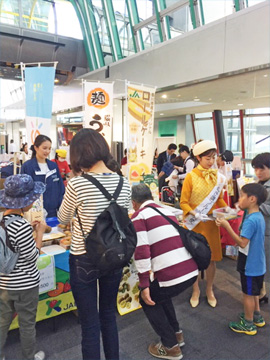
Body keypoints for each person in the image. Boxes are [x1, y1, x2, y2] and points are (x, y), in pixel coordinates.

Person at [57, 128, 131, 360]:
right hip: (114, 256)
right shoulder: (124, 183)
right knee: (108, 314)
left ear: (78, 155)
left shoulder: (77, 185)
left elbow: (62, 219)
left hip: (84, 258)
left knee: (89, 324)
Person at [131, 184, 198, 360]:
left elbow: (142, 251)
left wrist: (143, 283)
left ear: (134, 203)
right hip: (190, 270)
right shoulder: (166, 211)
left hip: (173, 275)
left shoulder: (139, 216)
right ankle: (177, 334)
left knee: (148, 300)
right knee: (161, 294)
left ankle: (170, 346)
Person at [0, 174, 46, 360]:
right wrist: (39, 234)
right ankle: (29, 356)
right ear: (22, 202)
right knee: (27, 324)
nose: (33, 201)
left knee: (2, 321)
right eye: (32, 198)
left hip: (4, 283)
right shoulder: (22, 226)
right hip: (25, 285)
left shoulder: (2, 221)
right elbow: (33, 256)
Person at [180, 140, 227, 308]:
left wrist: (226, 210)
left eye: (213, 157)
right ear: (198, 158)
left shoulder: (217, 177)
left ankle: (209, 289)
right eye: (208, 158)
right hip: (194, 224)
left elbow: (219, 199)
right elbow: (183, 202)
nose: (211, 161)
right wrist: (193, 213)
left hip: (211, 224)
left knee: (212, 259)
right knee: (194, 258)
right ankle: (195, 290)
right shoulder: (190, 177)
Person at [216, 183, 268, 335]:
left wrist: (226, 226)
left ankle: (248, 323)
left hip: (250, 264)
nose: (239, 200)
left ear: (252, 199)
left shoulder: (250, 221)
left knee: (247, 294)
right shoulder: (258, 216)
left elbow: (242, 242)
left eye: (242, 196)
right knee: (254, 293)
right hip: (258, 262)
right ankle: (256, 316)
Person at [21, 135, 65, 218]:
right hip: (34, 213)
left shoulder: (53, 166)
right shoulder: (27, 166)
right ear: (36, 148)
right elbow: (24, 190)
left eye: (49, 148)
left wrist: (61, 208)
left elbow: (60, 188)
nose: (47, 151)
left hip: (53, 212)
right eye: (44, 148)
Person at [251, 152, 270, 304]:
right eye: (256, 169)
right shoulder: (259, 183)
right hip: (260, 230)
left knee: (264, 263)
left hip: (268, 232)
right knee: (260, 262)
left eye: (261, 169)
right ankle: (261, 293)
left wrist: (253, 203)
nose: (258, 172)